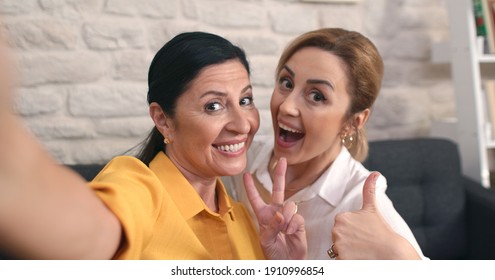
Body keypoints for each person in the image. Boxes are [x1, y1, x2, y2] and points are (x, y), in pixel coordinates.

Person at [0, 31, 307, 260]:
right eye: (214, 106)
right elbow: (90, 234)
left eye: (245, 100)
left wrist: (281, 266)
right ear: (163, 120)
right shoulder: (138, 186)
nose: (243, 124)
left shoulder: (243, 218)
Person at [224, 28, 426, 260]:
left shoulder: (360, 202)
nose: (287, 106)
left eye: (317, 96)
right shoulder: (242, 156)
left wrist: (398, 254)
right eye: (287, 83)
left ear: (352, 122)